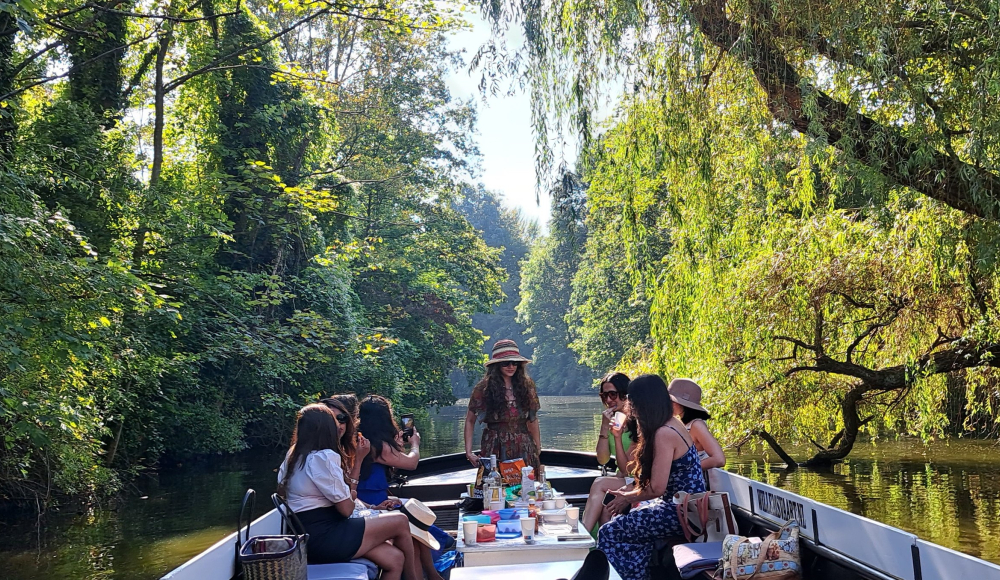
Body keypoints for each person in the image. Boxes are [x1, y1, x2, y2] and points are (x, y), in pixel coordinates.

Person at [278, 404, 422, 580]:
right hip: (325, 537)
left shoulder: (293, 456)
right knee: (400, 520)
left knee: (394, 559)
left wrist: (364, 503)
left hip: (305, 536)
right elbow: (346, 509)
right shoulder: (323, 457)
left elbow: (284, 490)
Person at [597, 375, 707, 580]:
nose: (629, 408)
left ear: (643, 403)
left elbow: (657, 488)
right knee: (623, 521)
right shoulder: (670, 423)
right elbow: (653, 479)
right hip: (682, 506)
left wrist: (627, 498)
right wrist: (629, 490)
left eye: (631, 401)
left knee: (609, 532)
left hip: (681, 512)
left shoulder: (664, 433)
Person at [464, 339, 541, 470]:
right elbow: (470, 421)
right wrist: (469, 452)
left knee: (526, 481)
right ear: (497, 365)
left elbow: (532, 420)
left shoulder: (527, 386)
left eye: (515, 363)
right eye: (506, 363)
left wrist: (537, 447)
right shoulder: (484, 388)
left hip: (523, 445)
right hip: (494, 445)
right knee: (495, 480)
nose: (511, 366)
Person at [582, 372, 637, 537]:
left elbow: (628, 469)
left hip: (636, 479)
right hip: (622, 477)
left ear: (625, 394)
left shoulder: (637, 422)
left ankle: (584, 534)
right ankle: (595, 541)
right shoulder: (614, 420)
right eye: (604, 396)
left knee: (600, 483)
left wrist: (618, 436)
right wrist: (604, 427)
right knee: (604, 503)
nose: (609, 400)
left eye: (613, 394)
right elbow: (602, 459)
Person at [356, 394, 420, 507]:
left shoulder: (358, 440)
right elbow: (411, 463)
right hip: (373, 501)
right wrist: (415, 444)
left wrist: (396, 446)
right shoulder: (378, 446)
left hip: (361, 498)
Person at [668, 378, 725, 470]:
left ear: (683, 404)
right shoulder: (681, 423)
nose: (668, 404)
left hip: (695, 478)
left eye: (672, 401)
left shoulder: (697, 425)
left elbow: (719, 459)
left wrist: (685, 470)